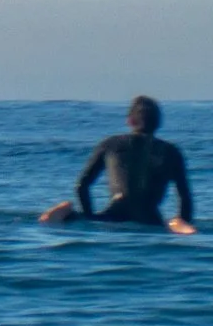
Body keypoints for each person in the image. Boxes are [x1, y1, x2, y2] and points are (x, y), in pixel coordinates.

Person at [40, 95, 194, 233]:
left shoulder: (110, 144)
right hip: (150, 218)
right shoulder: (172, 151)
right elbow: (185, 197)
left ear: (130, 121)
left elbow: (82, 185)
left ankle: (60, 212)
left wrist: (89, 217)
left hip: (114, 215)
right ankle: (179, 226)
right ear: (158, 123)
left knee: (69, 213)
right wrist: (184, 220)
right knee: (174, 223)